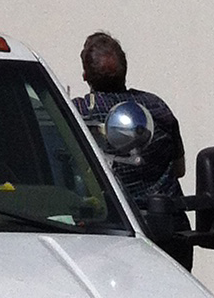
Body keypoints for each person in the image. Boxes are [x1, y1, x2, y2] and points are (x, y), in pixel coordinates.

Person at [74, 30, 191, 270]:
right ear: (124, 70)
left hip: (112, 235)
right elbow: (179, 169)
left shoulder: (79, 113)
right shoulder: (157, 107)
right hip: (170, 231)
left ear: (85, 75)